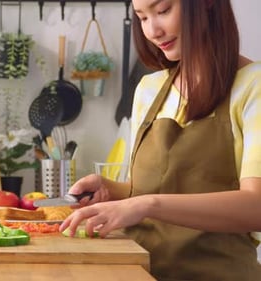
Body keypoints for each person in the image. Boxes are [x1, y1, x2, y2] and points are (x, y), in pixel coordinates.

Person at [59, 0, 261, 280]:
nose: (152, 30)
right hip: (138, 272)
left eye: (163, 10)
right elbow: (150, 187)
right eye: (142, 17)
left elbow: (256, 206)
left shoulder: (254, 86)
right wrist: (112, 190)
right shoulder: (149, 89)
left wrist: (146, 205)